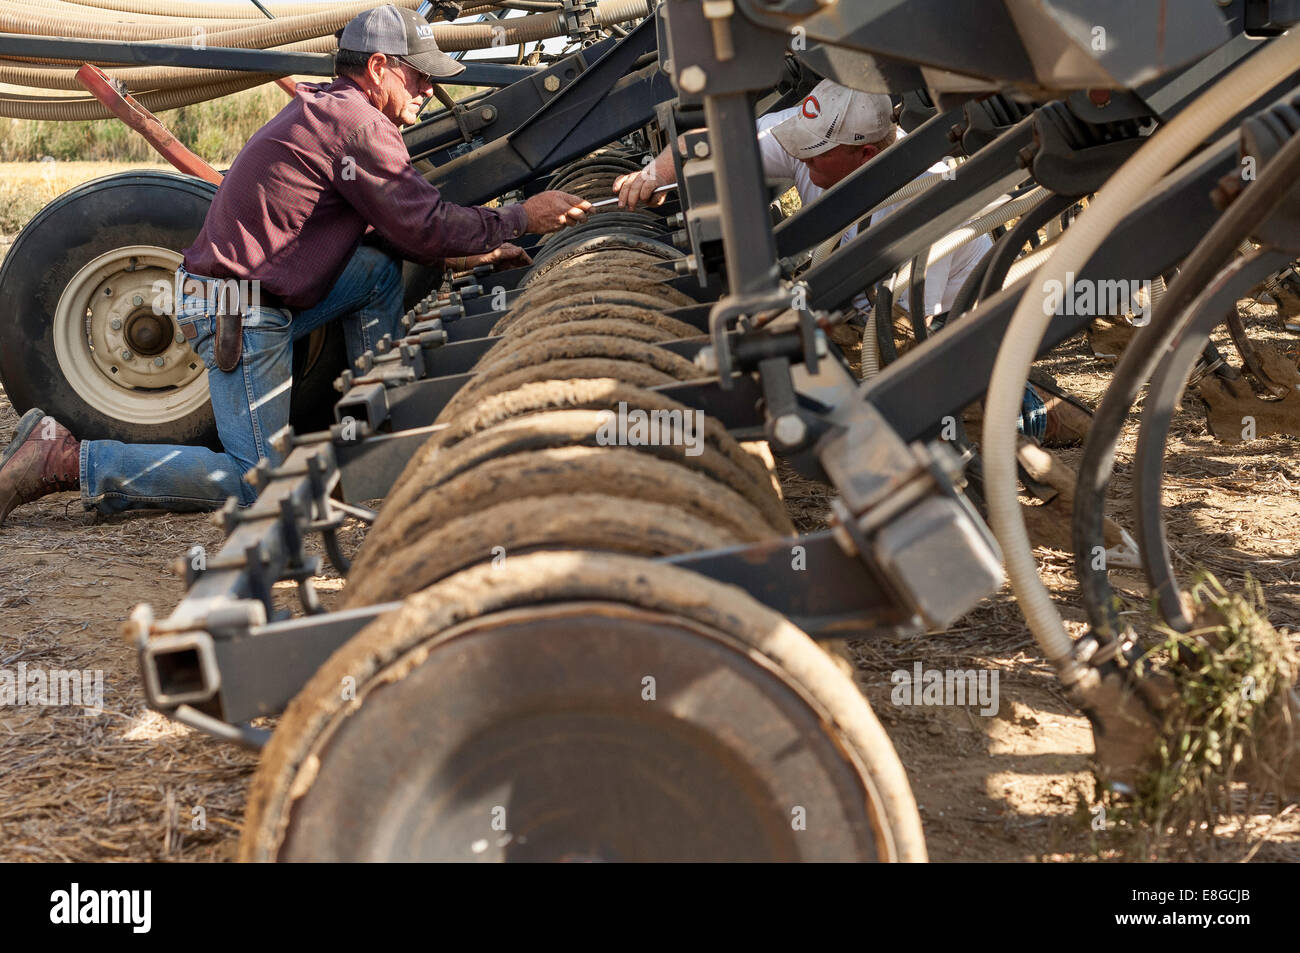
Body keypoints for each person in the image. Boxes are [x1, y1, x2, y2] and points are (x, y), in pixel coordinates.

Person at [0, 4, 592, 526]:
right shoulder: (360, 125)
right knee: (258, 488)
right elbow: (422, 224)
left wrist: (475, 244)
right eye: (419, 77)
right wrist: (518, 217)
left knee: (377, 273)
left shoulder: (336, 111)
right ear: (380, 69)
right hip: (234, 309)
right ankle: (66, 459)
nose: (427, 92)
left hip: (255, 296)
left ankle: (371, 424)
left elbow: (399, 231)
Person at [614, 78, 1090, 446]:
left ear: (864, 154)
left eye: (814, 157)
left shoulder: (925, 194)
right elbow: (707, 144)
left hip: (937, 334)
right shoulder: (810, 136)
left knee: (936, 408)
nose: (801, 161)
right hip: (861, 319)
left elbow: (904, 334)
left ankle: (1027, 408)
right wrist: (653, 175)